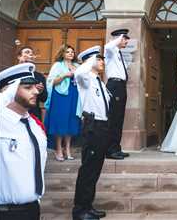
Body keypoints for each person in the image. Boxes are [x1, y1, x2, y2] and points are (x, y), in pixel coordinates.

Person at [0, 63, 47, 220]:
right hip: (5, 213)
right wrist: (4, 95)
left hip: (32, 209)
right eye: (27, 87)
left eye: (35, 87)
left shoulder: (34, 124)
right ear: (9, 91)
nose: (35, 91)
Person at [72, 46, 110, 220]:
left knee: (95, 169)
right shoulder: (85, 78)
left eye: (102, 59)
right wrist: (89, 61)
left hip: (102, 126)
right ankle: (80, 210)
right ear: (90, 61)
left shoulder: (99, 81)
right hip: (92, 125)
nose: (102, 62)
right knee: (88, 169)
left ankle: (88, 205)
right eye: (99, 59)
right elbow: (78, 74)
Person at [44, 45, 81, 161]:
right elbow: (51, 81)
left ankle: (68, 149)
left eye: (72, 52)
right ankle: (59, 149)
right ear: (63, 53)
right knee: (60, 122)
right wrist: (65, 75)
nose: (71, 53)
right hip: (60, 96)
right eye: (68, 52)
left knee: (71, 121)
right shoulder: (58, 65)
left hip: (74, 95)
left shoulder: (77, 66)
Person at [104, 29, 130, 160]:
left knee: (119, 119)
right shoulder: (110, 51)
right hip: (114, 86)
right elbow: (107, 46)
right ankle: (110, 150)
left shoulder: (118, 53)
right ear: (118, 38)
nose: (126, 41)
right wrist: (117, 39)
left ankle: (116, 148)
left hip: (120, 86)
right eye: (124, 38)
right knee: (113, 119)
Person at [17, 46, 48, 120]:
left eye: (32, 53)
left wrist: (40, 91)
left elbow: (44, 98)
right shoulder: (12, 74)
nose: (30, 55)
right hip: (15, 112)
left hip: (33, 114)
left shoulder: (39, 76)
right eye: (27, 52)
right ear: (19, 57)